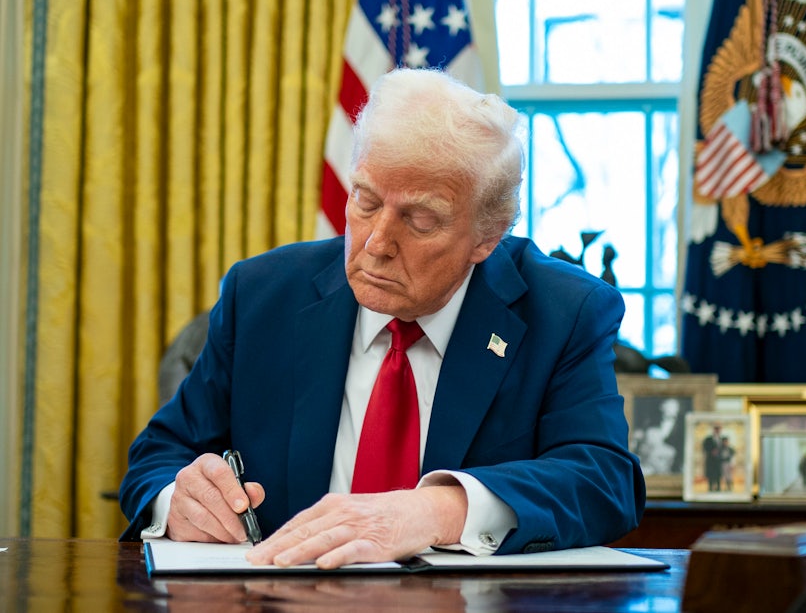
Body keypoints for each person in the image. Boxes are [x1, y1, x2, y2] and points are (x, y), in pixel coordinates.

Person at [118, 68, 644, 569]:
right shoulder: (263, 296)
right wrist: (178, 499)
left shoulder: (563, 311)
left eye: (419, 219)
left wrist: (435, 511)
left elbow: (603, 481)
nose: (376, 243)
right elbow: (159, 455)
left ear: (488, 234)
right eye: (365, 201)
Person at [702, 424, 723, 491]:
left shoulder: (721, 439)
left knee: (718, 475)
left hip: (718, 460)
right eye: (716, 429)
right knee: (711, 474)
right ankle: (710, 487)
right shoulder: (708, 439)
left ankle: (718, 488)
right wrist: (711, 451)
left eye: (718, 430)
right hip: (710, 460)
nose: (717, 431)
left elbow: (723, 449)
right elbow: (705, 447)